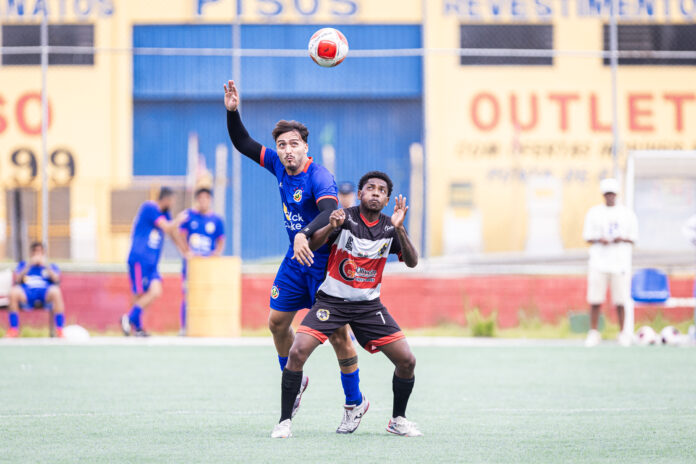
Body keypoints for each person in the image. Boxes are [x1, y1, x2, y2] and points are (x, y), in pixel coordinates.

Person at [224, 80, 363, 424]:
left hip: (324, 264)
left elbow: (328, 211)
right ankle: (294, 380)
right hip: (294, 261)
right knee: (276, 323)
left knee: (338, 336)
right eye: (282, 145)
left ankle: (355, 402)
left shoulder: (320, 176)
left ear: (305, 148)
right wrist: (233, 112)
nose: (287, 150)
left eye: (294, 144)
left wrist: (303, 233)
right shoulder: (277, 165)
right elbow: (243, 142)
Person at [271, 171, 422, 439]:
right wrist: (330, 226)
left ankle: (398, 420)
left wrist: (400, 228)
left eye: (382, 191)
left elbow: (412, 262)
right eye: (370, 188)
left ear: (387, 200)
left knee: (407, 361)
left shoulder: (391, 227)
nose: (375, 193)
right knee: (297, 352)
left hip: (369, 307)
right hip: (332, 302)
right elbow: (314, 245)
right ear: (360, 193)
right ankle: (284, 422)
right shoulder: (344, 218)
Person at [121, 187, 189, 337]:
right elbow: (167, 227)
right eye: (172, 201)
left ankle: (129, 318)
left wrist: (184, 251)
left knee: (155, 291)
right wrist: (178, 220)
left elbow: (172, 233)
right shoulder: (150, 208)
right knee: (139, 293)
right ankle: (137, 327)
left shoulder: (165, 214)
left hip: (152, 263)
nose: (173, 204)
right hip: (139, 259)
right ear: (166, 199)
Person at [582, 178, 638, 347]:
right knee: (595, 299)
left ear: (617, 194)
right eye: (607, 194)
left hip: (619, 263)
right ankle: (593, 332)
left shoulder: (626, 214)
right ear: (603, 195)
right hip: (598, 262)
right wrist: (600, 239)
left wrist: (622, 239)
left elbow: (634, 238)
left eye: (612, 194)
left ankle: (622, 333)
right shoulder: (594, 213)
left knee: (621, 300)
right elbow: (587, 236)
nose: (610, 197)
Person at [178, 186, 225, 335]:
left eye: (206, 198)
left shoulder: (217, 220)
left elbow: (221, 240)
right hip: (192, 264)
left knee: (208, 293)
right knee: (188, 294)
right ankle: (185, 327)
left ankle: (207, 328)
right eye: (201, 198)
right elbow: (181, 236)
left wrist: (217, 253)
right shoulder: (189, 217)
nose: (203, 201)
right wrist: (187, 252)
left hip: (208, 265)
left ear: (210, 200)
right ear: (197, 200)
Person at [5, 242, 65, 338]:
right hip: (27, 292)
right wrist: (29, 265)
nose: (37, 254)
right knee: (13, 292)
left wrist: (45, 266)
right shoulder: (24, 265)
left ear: (44, 253)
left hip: (45, 292)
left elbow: (56, 280)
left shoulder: (50, 266)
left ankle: (60, 329)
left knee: (56, 291)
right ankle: (14, 329)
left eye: (40, 252)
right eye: (35, 251)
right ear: (31, 253)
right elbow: (17, 279)